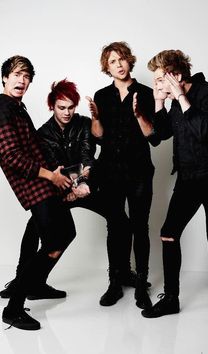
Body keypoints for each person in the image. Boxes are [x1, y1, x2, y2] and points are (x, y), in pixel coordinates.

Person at [0, 79, 138, 300]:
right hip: (59, 190)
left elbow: (87, 155)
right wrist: (69, 188)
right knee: (35, 227)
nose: (66, 112)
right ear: (52, 106)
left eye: (71, 107)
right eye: (61, 107)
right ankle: (22, 281)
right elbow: (51, 165)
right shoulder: (42, 133)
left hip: (86, 186)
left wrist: (83, 183)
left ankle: (119, 275)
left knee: (120, 218)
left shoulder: (83, 124)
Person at [141, 49, 208, 325]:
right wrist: (159, 102)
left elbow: (205, 132)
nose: (156, 86)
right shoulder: (171, 100)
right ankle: (171, 299)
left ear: (177, 76)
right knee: (169, 234)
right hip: (188, 180)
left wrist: (180, 98)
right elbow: (160, 135)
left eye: (160, 80)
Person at [0, 56, 76, 330]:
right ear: (5, 77)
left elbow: (32, 148)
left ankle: (36, 284)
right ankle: (14, 307)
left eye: (27, 76)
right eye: (17, 74)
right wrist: (49, 175)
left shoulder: (16, 108)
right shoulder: (3, 108)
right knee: (56, 239)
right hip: (33, 185)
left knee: (66, 232)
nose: (22, 80)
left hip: (44, 182)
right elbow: (9, 156)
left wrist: (57, 173)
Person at [86, 42, 160, 309]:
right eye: (112, 61)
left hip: (139, 172)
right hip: (109, 172)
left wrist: (140, 115)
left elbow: (153, 138)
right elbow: (98, 137)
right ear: (107, 67)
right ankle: (115, 282)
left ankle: (141, 284)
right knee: (115, 227)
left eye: (121, 59)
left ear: (130, 61)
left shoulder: (147, 94)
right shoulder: (102, 95)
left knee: (140, 226)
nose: (118, 65)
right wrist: (94, 117)